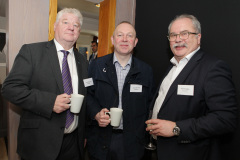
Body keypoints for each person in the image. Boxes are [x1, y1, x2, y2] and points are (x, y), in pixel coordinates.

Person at [146, 14, 238, 160]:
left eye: (185, 34)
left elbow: (225, 119)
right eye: (173, 35)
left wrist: (177, 128)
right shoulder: (172, 67)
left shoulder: (213, 67)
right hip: (160, 151)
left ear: (198, 37)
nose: (178, 39)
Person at [1, 8, 88, 160]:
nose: (71, 27)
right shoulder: (32, 51)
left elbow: (86, 99)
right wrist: (49, 102)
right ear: (55, 26)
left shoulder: (83, 61)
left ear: (79, 31)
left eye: (76, 25)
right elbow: (10, 89)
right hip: (39, 143)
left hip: (73, 144)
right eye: (66, 22)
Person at [86, 21, 155, 160]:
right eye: (120, 35)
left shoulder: (146, 71)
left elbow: (150, 105)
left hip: (133, 144)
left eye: (129, 36)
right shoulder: (96, 66)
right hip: (101, 139)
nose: (124, 39)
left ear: (135, 42)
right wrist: (96, 113)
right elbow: (87, 94)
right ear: (113, 40)